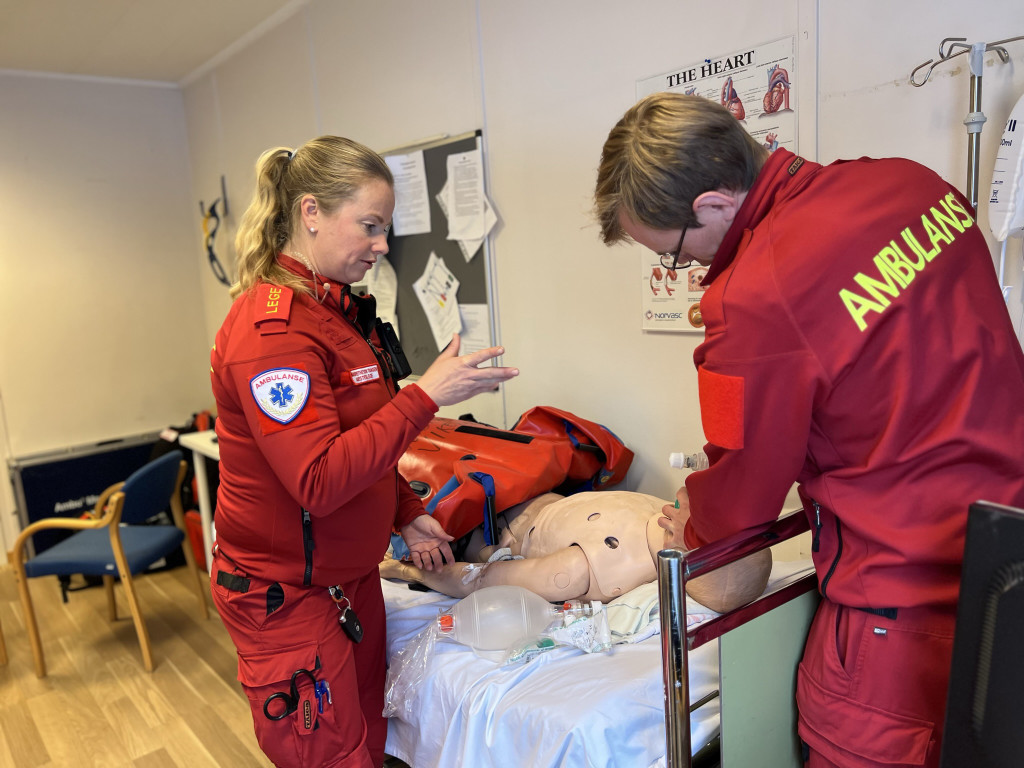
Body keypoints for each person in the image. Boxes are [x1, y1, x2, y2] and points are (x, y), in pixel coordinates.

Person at [593, 92, 1024, 768]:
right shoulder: (911, 184)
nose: (690, 271)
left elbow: (739, 502)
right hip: (1006, 568)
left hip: (898, 616)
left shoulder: (754, 297)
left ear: (710, 204)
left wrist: (690, 522)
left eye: (674, 255)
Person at [209, 135, 518, 768]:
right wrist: (428, 394)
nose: (381, 247)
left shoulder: (338, 313)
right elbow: (318, 479)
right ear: (311, 212)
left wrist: (404, 508)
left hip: (346, 578)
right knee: (335, 757)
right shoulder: (272, 332)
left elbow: (364, 433)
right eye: (370, 227)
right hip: (287, 594)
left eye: (386, 229)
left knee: (371, 744)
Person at [379, 490, 770, 613]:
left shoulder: (595, 568)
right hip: (529, 491)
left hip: (477, 526)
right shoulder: (669, 516)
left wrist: (405, 571)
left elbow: (480, 580)